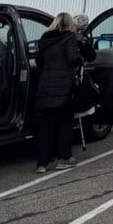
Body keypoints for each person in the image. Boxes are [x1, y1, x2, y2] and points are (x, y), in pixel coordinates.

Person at [34, 12, 82, 172]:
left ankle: (42, 163)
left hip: (45, 86)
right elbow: (73, 58)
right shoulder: (69, 37)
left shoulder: (44, 39)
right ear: (70, 24)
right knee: (64, 124)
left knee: (46, 126)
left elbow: (39, 62)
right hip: (64, 87)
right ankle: (64, 158)